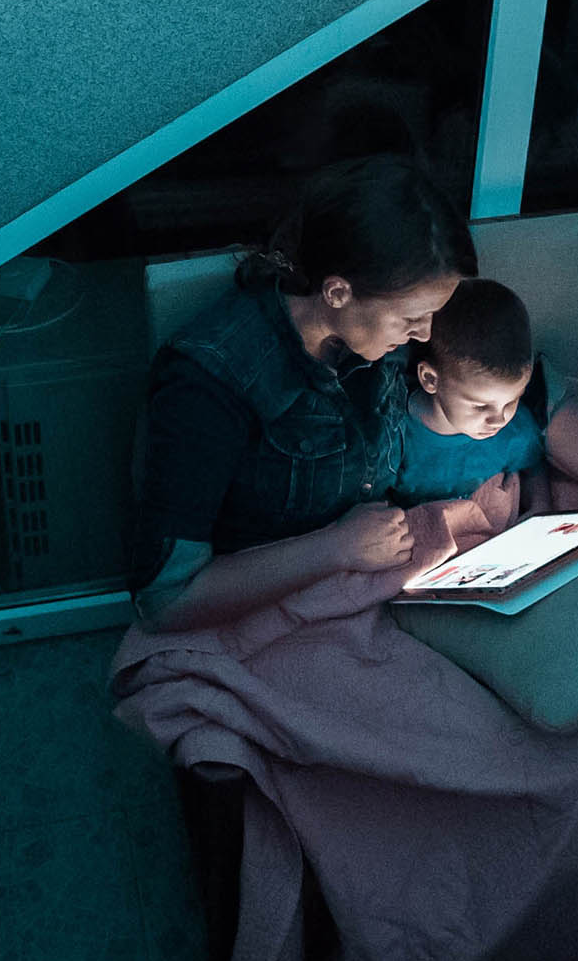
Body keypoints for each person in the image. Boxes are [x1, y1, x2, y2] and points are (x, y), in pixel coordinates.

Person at [133, 154, 472, 628]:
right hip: (266, 606)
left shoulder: (373, 340)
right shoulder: (210, 383)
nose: (424, 333)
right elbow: (165, 599)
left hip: (371, 581)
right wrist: (336, 548)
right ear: (336, 292)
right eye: (411, 318)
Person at [384, 278, 549, 532]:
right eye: (480, 407)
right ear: (430, 379)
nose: (498, 419)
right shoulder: (393, 434)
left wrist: (540, 508)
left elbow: (533, 467)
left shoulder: (515, 429)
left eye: (511, 401)